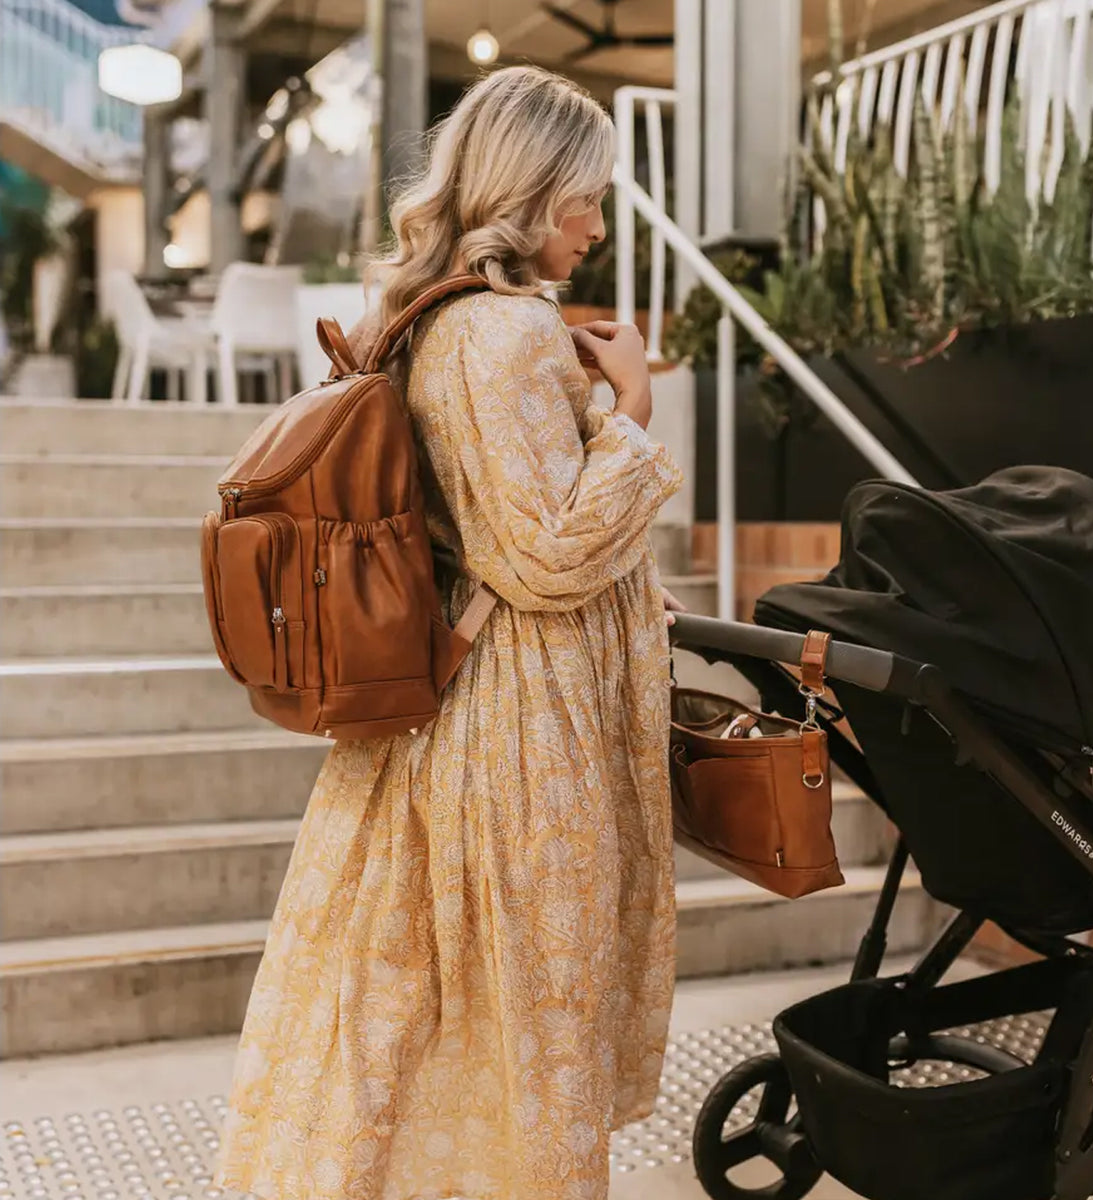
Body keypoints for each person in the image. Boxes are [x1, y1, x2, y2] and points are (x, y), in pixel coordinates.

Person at [215, 65, 686, 1200]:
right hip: (520, 727)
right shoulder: (507, 331)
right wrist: (631, 409)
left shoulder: (424, 319)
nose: (596, 225)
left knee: (413, 1027)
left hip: (450, 716)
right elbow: (546, 553)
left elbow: (488, 521)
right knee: (526, 1030)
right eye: (587, 197)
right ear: (532, 188)